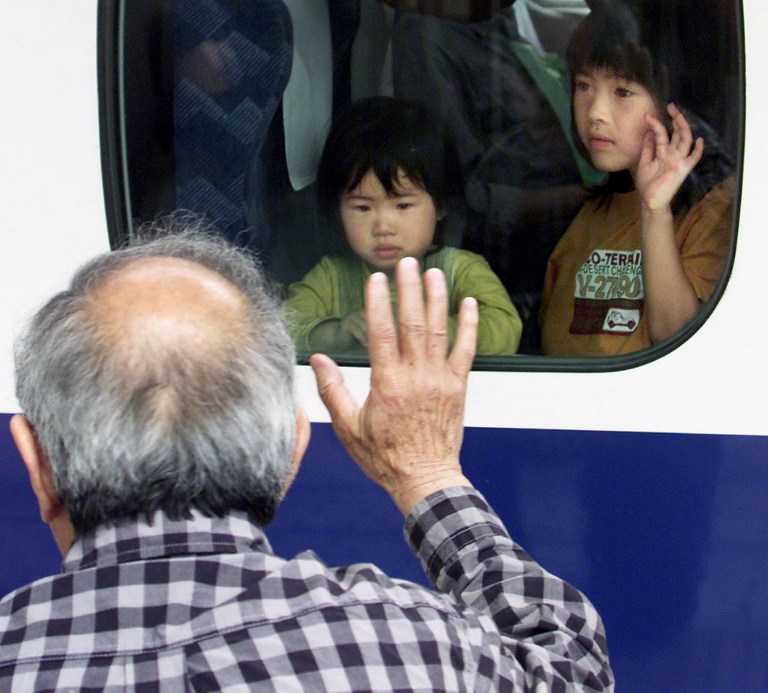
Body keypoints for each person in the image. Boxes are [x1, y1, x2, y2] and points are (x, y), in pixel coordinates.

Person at [0, 216, 612, 690]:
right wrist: (427, 472)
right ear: (292, 455)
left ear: (36, 463)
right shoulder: (407, 646)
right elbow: (569, 668)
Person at [539, 0, 734, 356]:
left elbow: (677, 337)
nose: (595, 113)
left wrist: (655, 213)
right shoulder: (590, 215)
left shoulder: (716, 210)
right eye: (583, 86)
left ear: (668, 97)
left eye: (623, 92)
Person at [284, 95, 522, 356]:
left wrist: (435, 331)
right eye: (363, 208)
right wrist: (336, 334)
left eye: (403, 206)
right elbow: (282, 330)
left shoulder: (459, 271)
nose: (383, 227)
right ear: (337, 210)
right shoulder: (331, 277)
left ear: (441, 204)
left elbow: (505, 328)